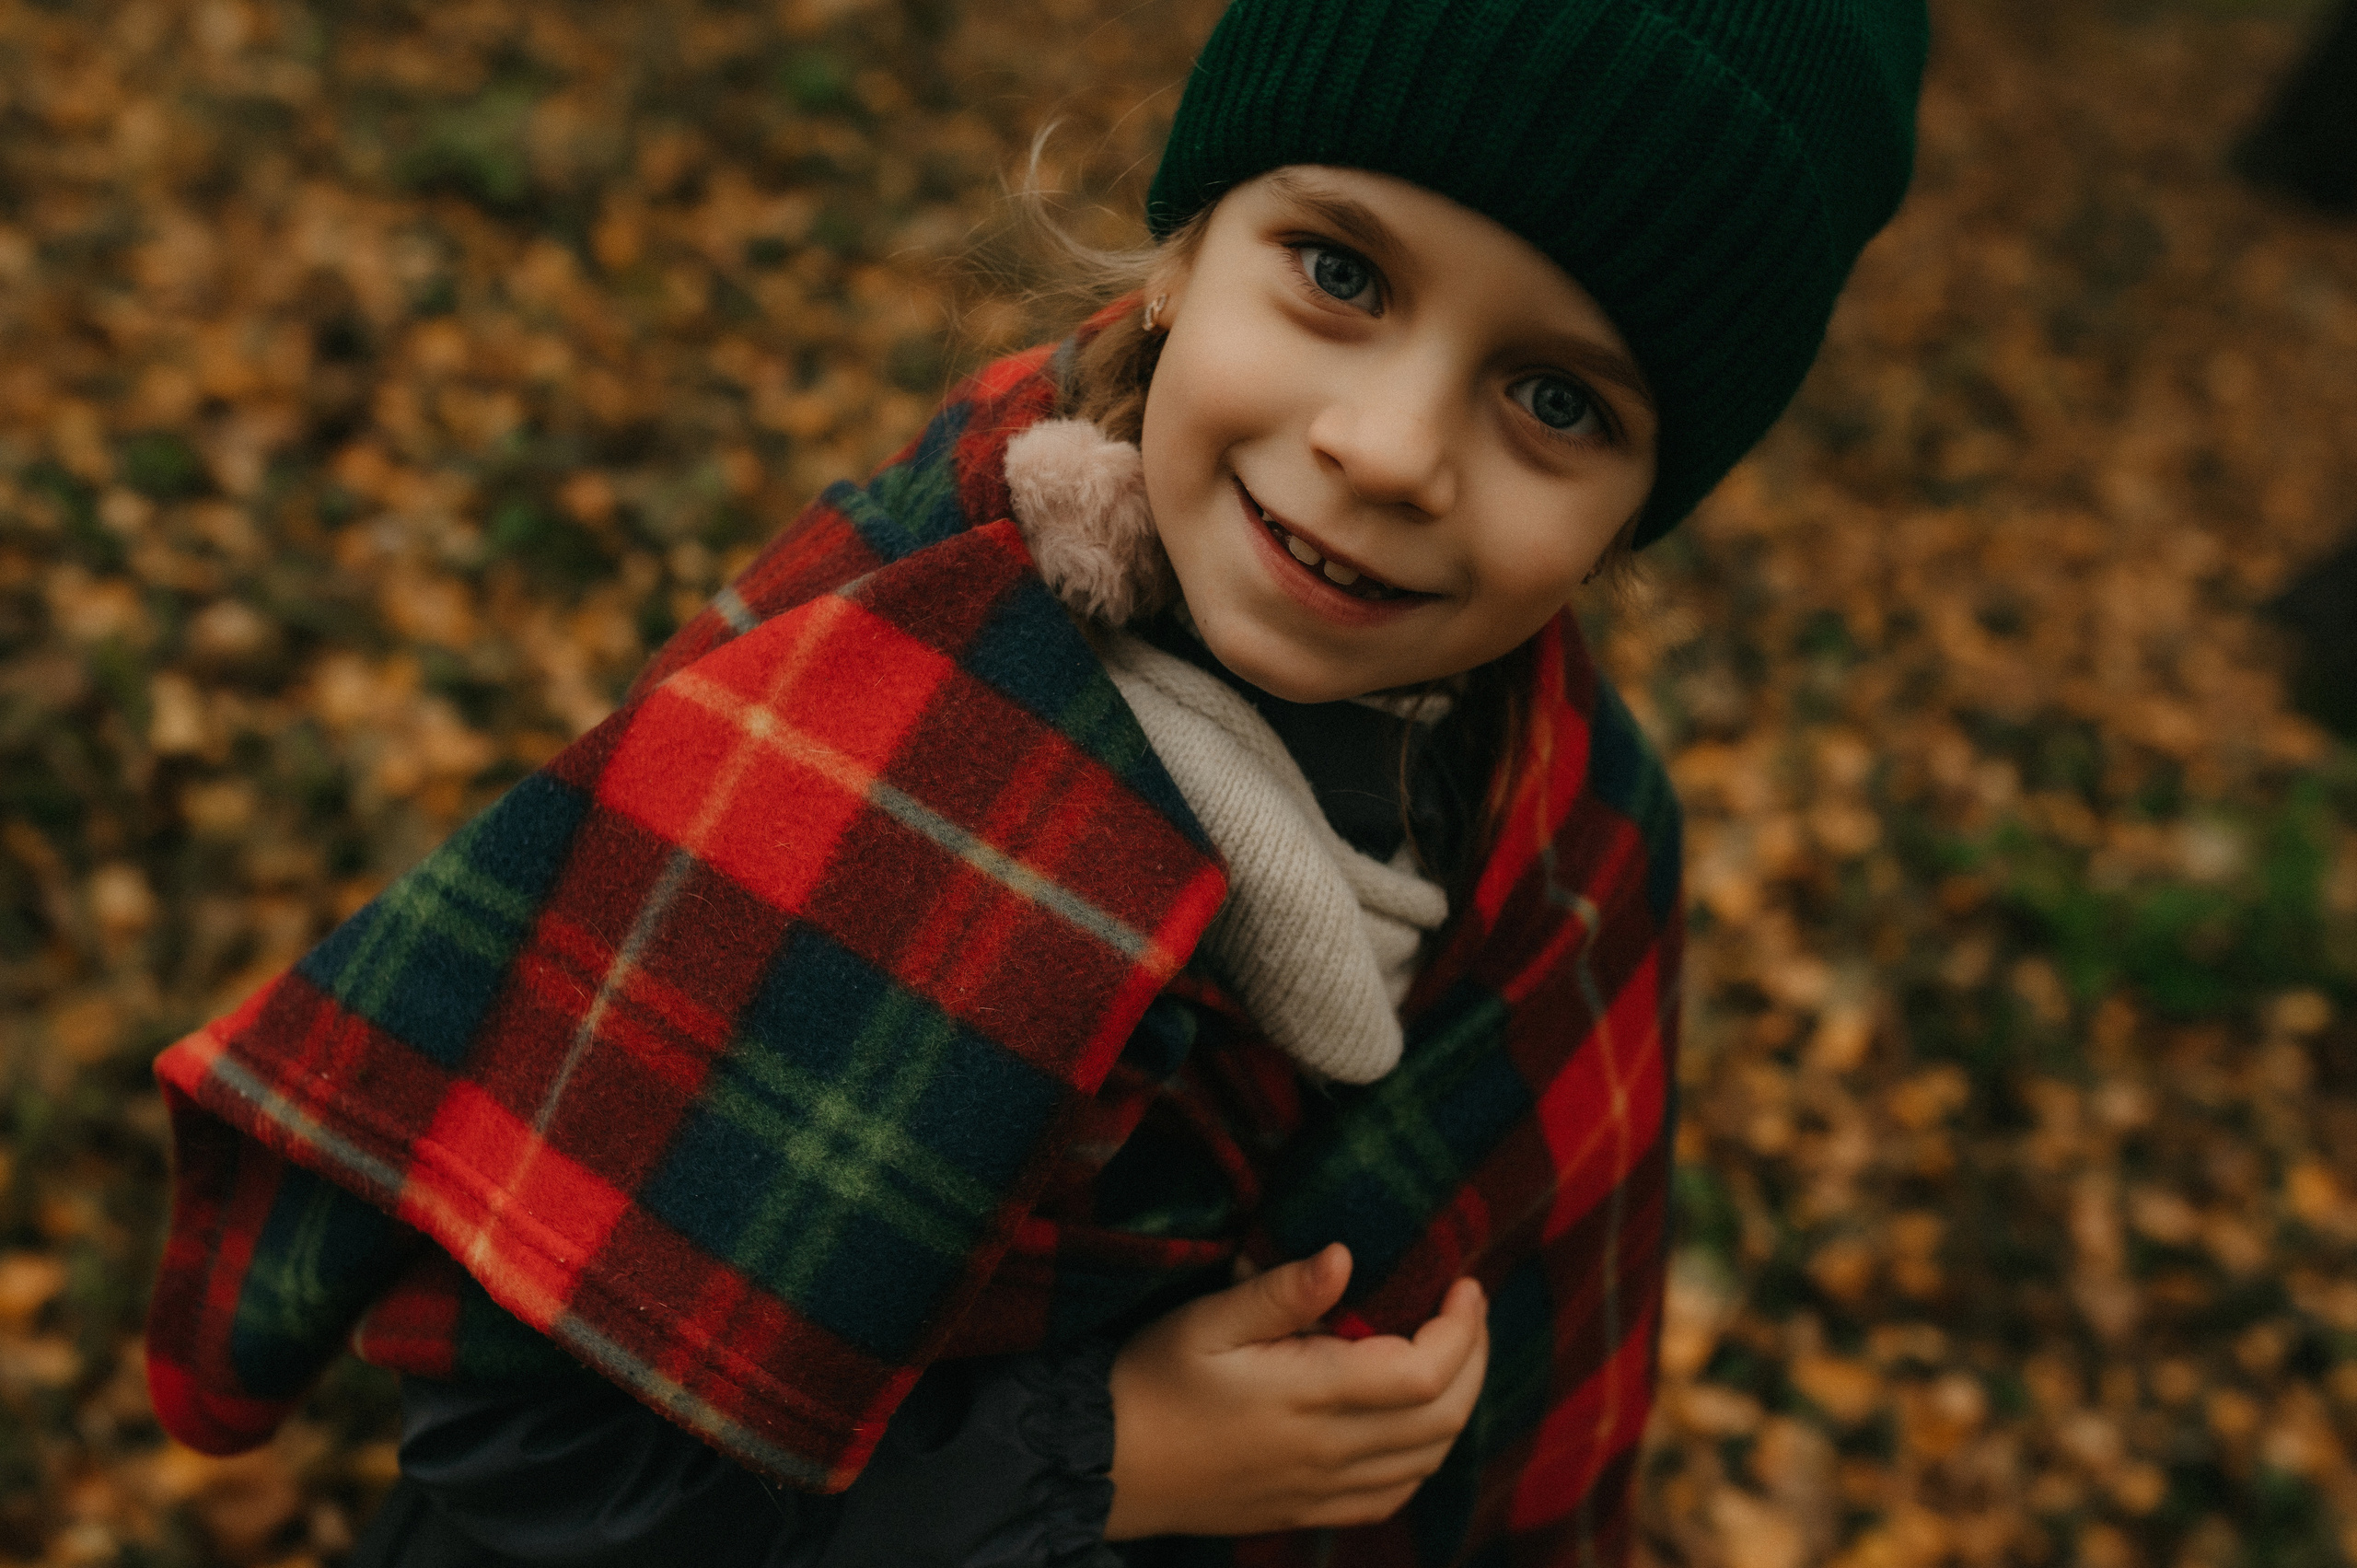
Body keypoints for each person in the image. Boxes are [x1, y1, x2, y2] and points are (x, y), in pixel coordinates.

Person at [141, 1, 1927, 1562]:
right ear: (1177, 253)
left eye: (1553, 401)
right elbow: (522, 1454)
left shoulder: (1570, 822)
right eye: (1339, 271)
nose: (1382, 450)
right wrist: (1106, 1461)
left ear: (1638, 509)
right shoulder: (879, 724)